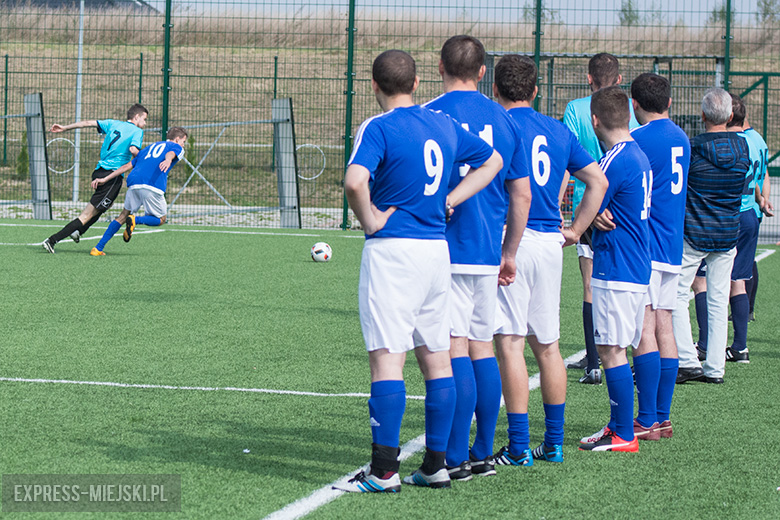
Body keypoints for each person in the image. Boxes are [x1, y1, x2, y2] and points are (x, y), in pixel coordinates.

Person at [334, 49, 503, 493]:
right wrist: (452, 198)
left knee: (388, 357)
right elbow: (493, 162)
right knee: (436, 356)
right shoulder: (442, 123)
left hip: (394, 252)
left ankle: (384, 473)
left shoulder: (378, 126)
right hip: (435, 252)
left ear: (374, 86)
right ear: (416, 82)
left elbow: (354, 181)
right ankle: (436, 464)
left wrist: (369, 219)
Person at [423, 35, 532, 481]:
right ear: (483, 72)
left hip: (442, 248)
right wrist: (509, 253)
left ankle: (452, 457)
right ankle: (482, 451)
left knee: (452, 351)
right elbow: (520, 194)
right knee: (481, 346)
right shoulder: (505, 121)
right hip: (488, 250)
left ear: (440, 66)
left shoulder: (429, 114)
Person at [490, 55, 607, 464]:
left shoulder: (497, 126)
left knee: (508, 343)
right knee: (549, 347)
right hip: (548, 242)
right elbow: (598, 180)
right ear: (536, 90)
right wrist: (574, 230)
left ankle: (519, 445)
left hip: (512, 239)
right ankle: (553, 442)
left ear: (495, 90)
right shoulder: (557, 129)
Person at [578, 86, 651, 453]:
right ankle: (618, 426)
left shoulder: (612, 160)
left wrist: (582, 222)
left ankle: (623, 433)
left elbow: (594, 194)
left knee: (611, 349)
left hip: (616, 267)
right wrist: (599, 214)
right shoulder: (638, 154)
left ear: (595, 120)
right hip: (636, 264)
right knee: (620, 346)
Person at [562, 53, 640, 384]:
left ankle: (595, 362)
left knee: (590, 286)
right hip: (626, 207)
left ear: (589, 78)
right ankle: (628, 360)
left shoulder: (576, 109)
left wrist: (558, 205)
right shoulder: (629, 110)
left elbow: (567, 159)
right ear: (619, 79)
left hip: (588, 207)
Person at [672, 88, 750, 385]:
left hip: (694, 232)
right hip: (728, 231)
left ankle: (687, 360)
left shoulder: (691, 149)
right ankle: (715, 368)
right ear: (731, 116)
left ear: (702, 115)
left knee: (678, 295)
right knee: (719, 299)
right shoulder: (743, 149)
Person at [628, 73, 691, 440]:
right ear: (668, 102)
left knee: (645, 330)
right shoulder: (681, 137)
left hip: (646, 246)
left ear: (635, 105)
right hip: (672, 246)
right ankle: (662, 417)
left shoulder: (637, 140)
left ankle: (647, 418)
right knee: (665, 325)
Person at [42, 104, 148, 253]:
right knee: (87, 214)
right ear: (136, 117)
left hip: (99, 171)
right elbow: (133, 149)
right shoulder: (137, 131)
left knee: (103, 207)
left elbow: (87, 123)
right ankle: (52, 240)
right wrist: (146, 159)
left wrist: (65, 128)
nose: (145, 123)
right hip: (112, 177)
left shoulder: (114, 123)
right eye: (144, 119)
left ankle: (78, 231)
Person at [88, 127, 188, 256]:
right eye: (183, 141)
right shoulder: (175, 146)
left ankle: (98, 248)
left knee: (122, 216)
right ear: (177, 139)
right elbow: (172, 153)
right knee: (161, 219)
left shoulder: (148, 148)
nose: (183, 144)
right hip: (151, 185)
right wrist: (168, 159)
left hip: (134, 183)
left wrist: (105, 179)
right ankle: (136, 220)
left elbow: (127, 166)